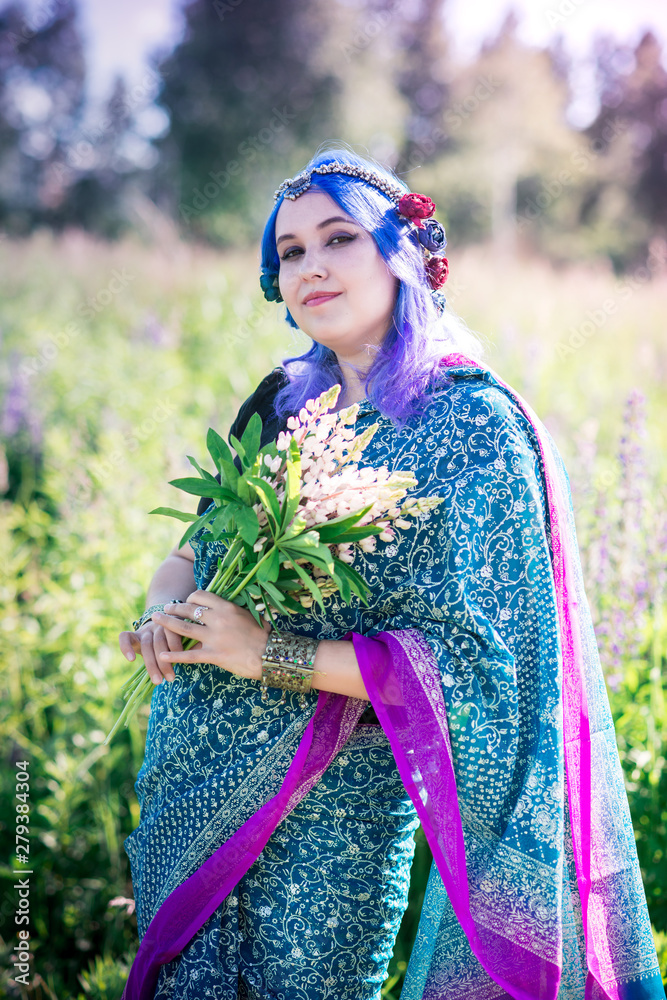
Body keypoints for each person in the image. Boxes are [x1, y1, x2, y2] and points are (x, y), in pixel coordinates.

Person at [118, 147, 665, 1000]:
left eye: (338, 238)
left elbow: (483, 672)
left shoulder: (472, 427)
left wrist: (266, 654)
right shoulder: (281, 405)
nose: (310, 266)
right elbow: (190, 555)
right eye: (290, 251)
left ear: (403, 254)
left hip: (331, 816)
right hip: (193, 787)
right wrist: (164, 615)